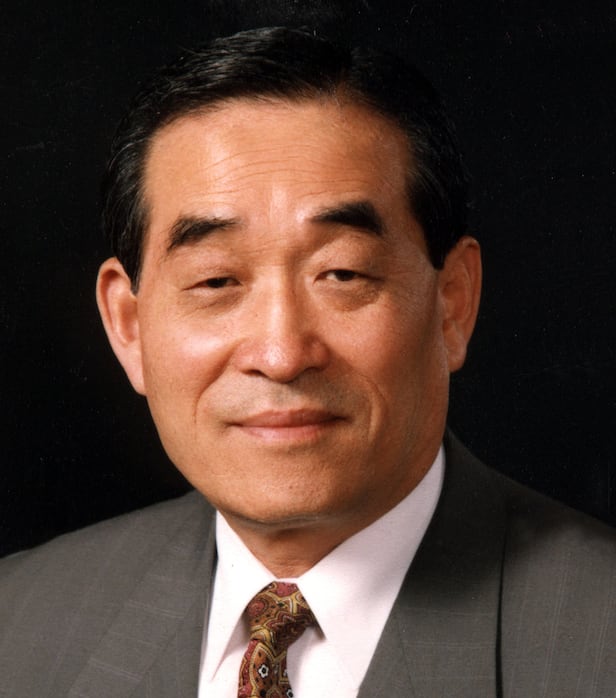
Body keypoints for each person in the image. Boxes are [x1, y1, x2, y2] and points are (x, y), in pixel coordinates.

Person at [1, 26, 614, 698]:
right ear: (128, 326)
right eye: (215, 281)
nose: (281, 355)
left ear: (452, 304)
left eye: (342, 274)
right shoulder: (21, 622)